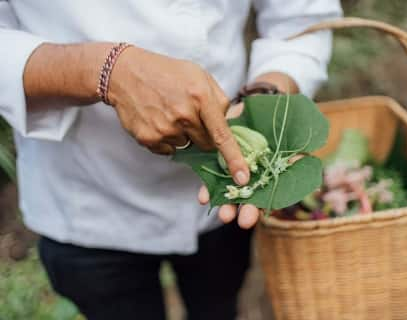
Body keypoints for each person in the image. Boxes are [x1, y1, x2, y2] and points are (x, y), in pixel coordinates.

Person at [0, 1, 342, 319]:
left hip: (226, 189)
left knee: (219, 304)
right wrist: (105, 71)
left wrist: (264, 98)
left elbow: (300, 17)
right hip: (85, 192)